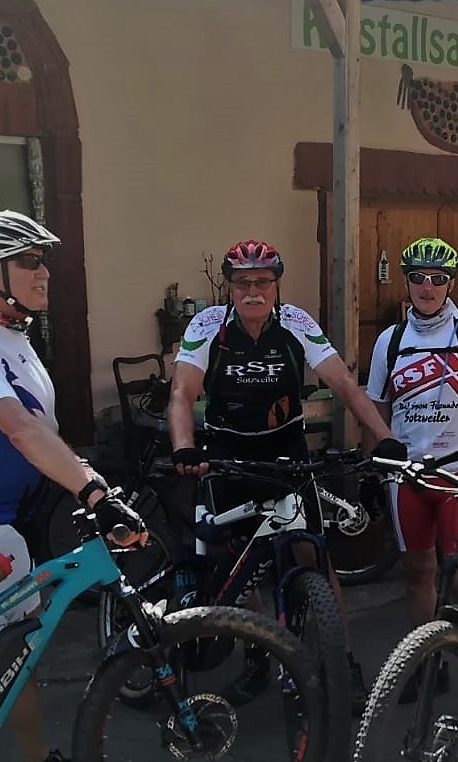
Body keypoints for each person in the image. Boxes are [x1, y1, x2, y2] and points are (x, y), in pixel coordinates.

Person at [167, 238, 403, 714]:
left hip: (286, 452)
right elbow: (182, 393)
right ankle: (258, 656)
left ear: (277, 286)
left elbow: (343, 383)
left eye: (263, 282)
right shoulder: (207, 325)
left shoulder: (296, 322)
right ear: (228, 288)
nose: (253, 291)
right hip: (229, 453)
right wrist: (184, 446)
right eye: (242, 283)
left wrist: (383, 437)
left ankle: (343, 664)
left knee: (312, 554)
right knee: (239, 561)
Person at [0, 210, 146, 762]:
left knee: (15, 656)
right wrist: (93, 492)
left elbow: (43, 430)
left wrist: (77, 477)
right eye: (27, 261)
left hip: (11, 523)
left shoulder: (13, 335)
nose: (43, 273)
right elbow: (19, 427)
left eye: (44, 262)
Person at [365, 237, 458, 700]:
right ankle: (428, 665)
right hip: (406, 477)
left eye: (438, 279)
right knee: (417, 573)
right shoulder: (389, 341)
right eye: (418, 278)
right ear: (406, 283)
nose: (427, 288)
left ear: (451, 284)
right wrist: (372, 469)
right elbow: (376, 409)